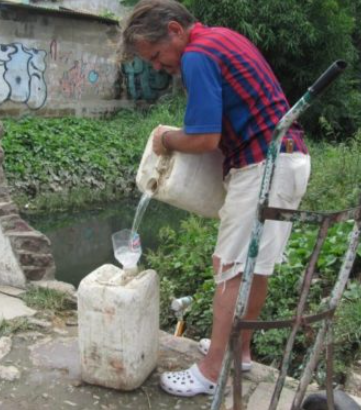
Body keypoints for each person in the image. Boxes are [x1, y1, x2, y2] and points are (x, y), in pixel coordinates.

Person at [120, 0, 311, 398]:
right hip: (289, 160)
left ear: (175, 30)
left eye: (156, 56)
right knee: (254, 266)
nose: (157, 66)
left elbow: (204, 137)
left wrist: (165, 139)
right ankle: (239, 353)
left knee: (230, 267)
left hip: (262, 166)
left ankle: (210, 372)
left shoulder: (196, 54)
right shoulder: (223, 38)